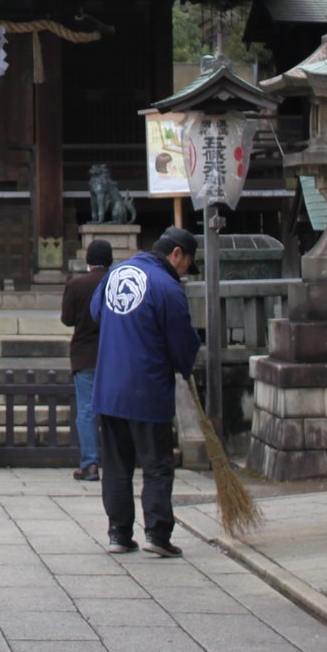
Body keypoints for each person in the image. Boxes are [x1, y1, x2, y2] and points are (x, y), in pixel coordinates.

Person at [90, 225, 202, 558]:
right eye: (186, 265)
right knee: (156, 464)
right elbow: (181, 338)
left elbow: (97, 314)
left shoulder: (115, 275)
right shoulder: (167, 286)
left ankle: (119, 533)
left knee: (116, 465)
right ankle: (157, 533)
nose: (184, 272)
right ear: (176, 254)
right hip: (147, 387)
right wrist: (185, 365)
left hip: (109, 386)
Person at [61, 238, 112, 481]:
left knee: (87, 410)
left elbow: (67, 319)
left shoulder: (77, 285)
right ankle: (118, 460)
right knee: (116, 409)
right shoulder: (116, 283)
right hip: (115, 354)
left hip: (85, 355)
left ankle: (90, 464)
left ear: (88, 261)